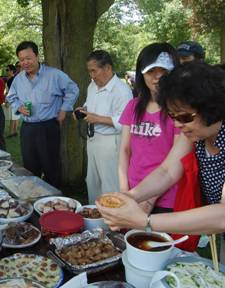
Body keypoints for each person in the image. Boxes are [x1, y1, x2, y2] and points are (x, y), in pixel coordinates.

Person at [96, 63, 225, 262]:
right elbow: (167, 170)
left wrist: (146, 221)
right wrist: (130, 196)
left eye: (184, 116)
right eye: (172, 116)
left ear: (211, 108)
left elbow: (223, 215)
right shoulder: (195, 133)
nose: (177, 124)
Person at [7, 41, 79, 188]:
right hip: (27, 128)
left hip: (48, 127)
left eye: (28, 58)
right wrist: (19, 107)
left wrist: (64, 109)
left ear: (37, 56)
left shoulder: (54, 75)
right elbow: (11, 97)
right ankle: (34, 200)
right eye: (21, 60)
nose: (25, 63)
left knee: (51, 166)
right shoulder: (18, 79)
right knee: (30, 167)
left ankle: (54, 202)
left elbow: (73, 89)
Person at [119, 43, 180, 214]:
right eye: (151, 71)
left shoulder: (180, 111)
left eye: (164, 72)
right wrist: (125, 192)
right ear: (141, 73)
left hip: (166, 196)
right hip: (134, 190)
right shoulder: (133, 106)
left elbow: (175, 161)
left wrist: (150, 199)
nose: (157, 77)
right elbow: (124, 150)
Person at [74, 50, 132, 204]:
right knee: (92, 181)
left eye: (94, 71)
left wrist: (98, 119)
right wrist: (83, 110)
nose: (91, 75)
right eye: (89, 71)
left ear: (107, 68)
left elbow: (125, 122)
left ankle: (112, 223)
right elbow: (89, 104)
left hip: (110, 142)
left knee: (109, 184)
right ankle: (95, 216)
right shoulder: (92, 85)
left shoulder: (122, 91)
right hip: (93, 139)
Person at [5, 64, 20, 138]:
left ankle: (11, 132)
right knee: (15, 116)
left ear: (12, 71)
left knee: (13, 117)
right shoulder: (13, 79)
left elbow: (11, 92)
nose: (6, 71)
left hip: (13, 99)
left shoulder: (12, 79)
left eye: (7, 70)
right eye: (6, 70)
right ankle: (15, 131)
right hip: (16, 99)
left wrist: (7, 101)